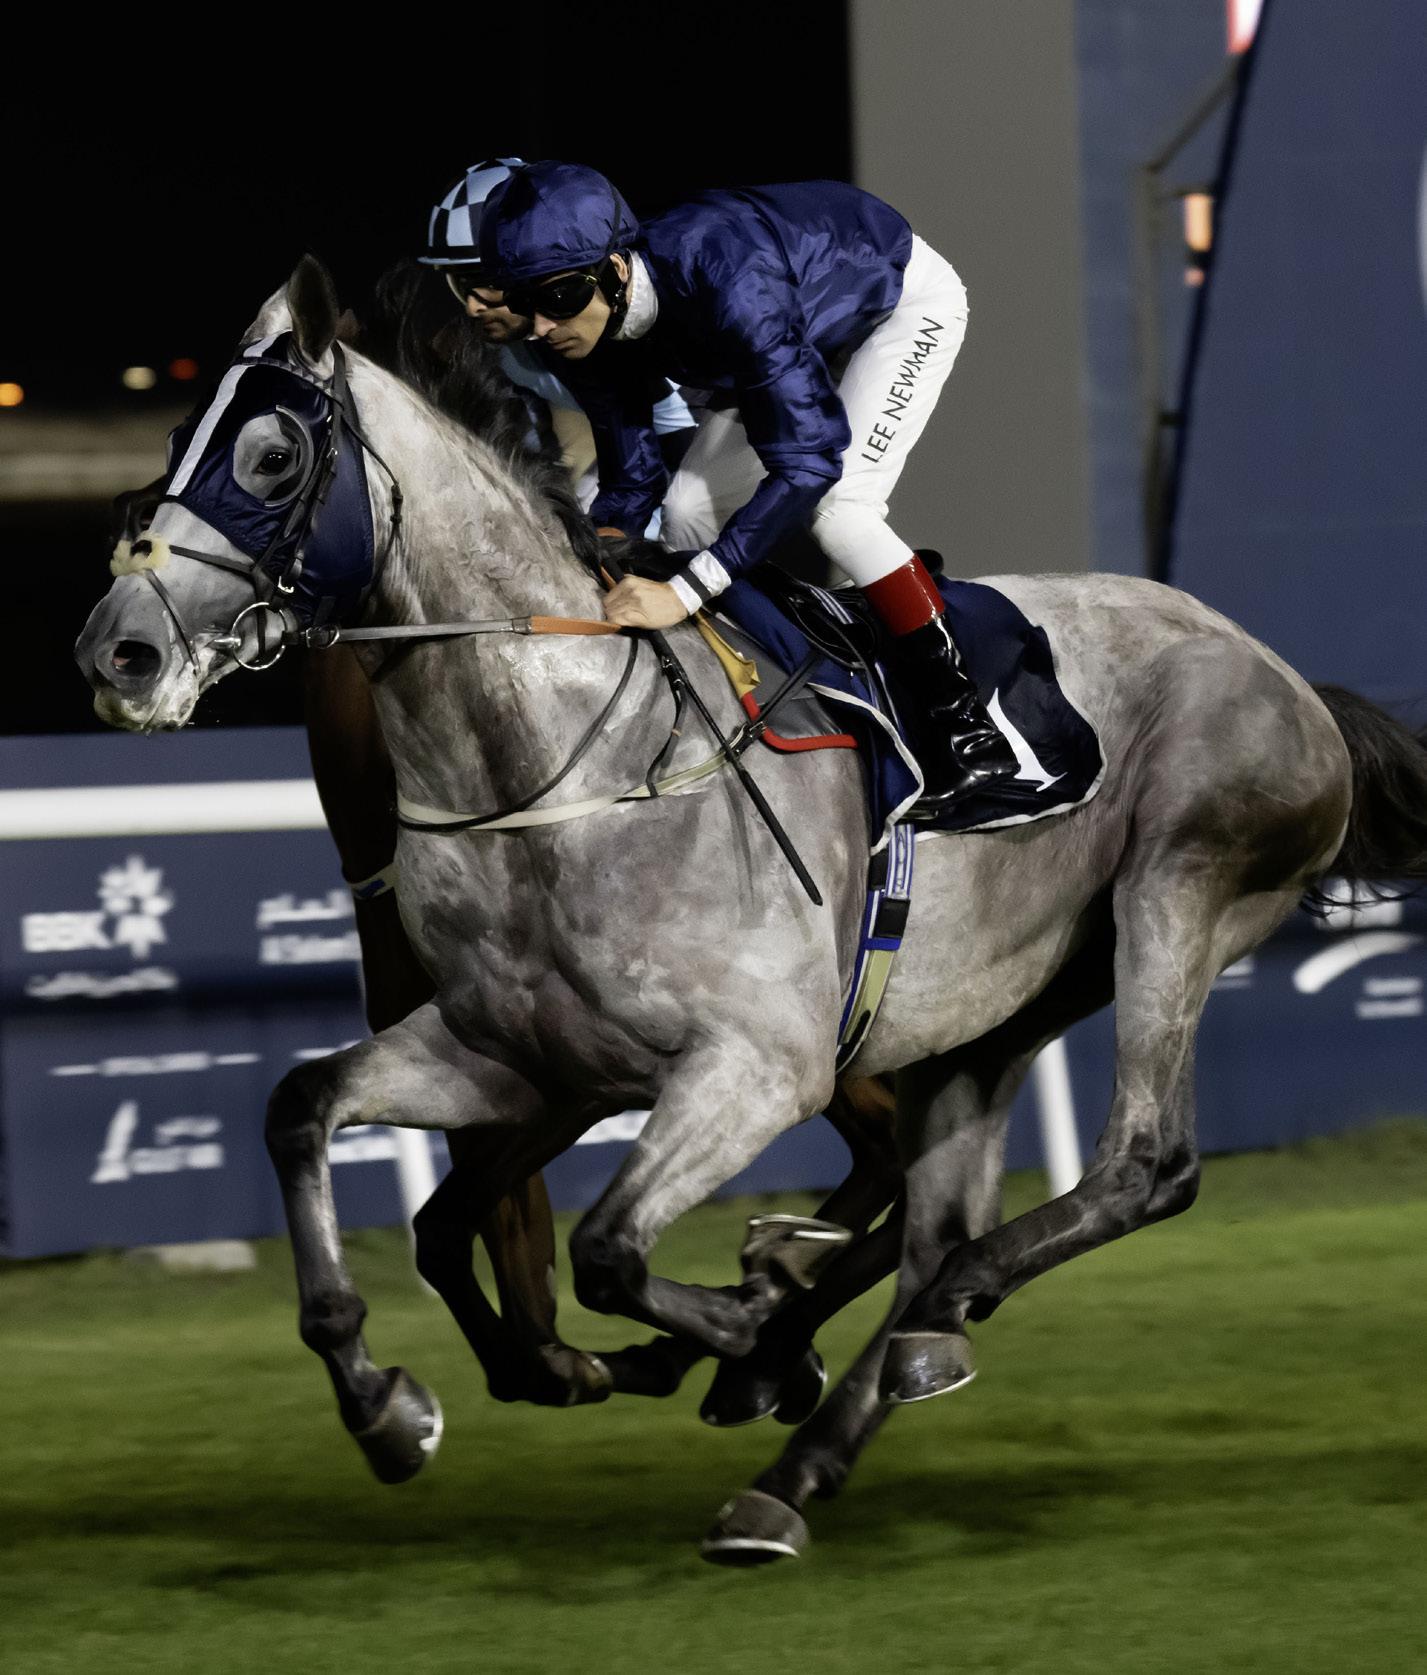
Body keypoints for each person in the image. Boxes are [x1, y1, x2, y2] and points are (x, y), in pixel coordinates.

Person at [477, 161, 1019, 811]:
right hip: (783, 337)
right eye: (522, 302)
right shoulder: (583, 330)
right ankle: (745, 703)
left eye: (559, 297)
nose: (540, 326)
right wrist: (595, 560)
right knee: (685, 510)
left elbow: (808, 463)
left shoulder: (730, 282)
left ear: (616, 271)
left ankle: (970, 733)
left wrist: (681, 593)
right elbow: (633, 476)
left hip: (892, 305)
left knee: (838, 506)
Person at [419, 159, 694, 508]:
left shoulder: (597, 334)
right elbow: (537, 446)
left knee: (685, 512)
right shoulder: (504, 349)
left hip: (702, 434)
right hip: (643, 455)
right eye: (461, 286)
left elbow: (676, 428)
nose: (472, 308)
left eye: (487, 285)